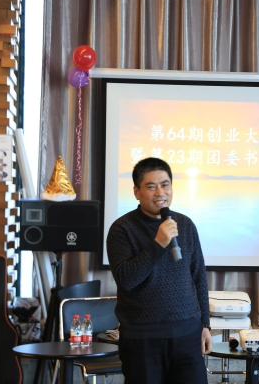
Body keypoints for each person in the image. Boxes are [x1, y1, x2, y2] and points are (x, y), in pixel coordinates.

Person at [106, 157, 212, 383]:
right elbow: (126, 280)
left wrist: (205, 324)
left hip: (187, 334)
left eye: (165, 185)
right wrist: (158, 243)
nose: (160, 192)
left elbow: (198, 276)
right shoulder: (122, 229)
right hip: (142, 338)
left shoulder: (185, 225)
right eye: (151, 186)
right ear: (136, 192)